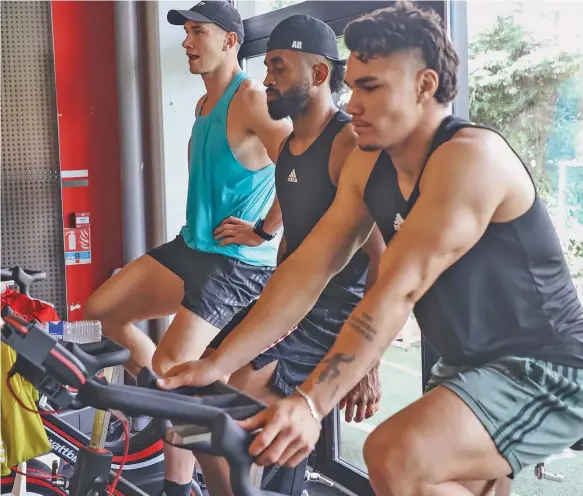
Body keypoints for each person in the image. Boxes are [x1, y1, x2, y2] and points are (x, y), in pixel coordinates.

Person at [158, 2, 583, 496]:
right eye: (353, 84)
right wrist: (218, 361)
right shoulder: (367, 166)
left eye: (371, 87)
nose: (352, 102)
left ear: (425, 86)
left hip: (541, 367)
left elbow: (397, 289)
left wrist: (314, 403)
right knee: (452, 483)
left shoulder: (470, 160)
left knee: (394, 456)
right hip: (462, 364)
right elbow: (307, 270)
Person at [158, 14, 386, 495]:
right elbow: (295, 237)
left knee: (225, 416)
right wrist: (263, 241)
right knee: (188, 415)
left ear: (319, 75)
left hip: (332, 321)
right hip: (292, 308)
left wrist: (367, 363)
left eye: (279, 68)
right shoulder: (291, 148)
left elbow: (385, 260)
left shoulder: (347, 145)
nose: (266, 79)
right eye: (268, 67)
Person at [84, 2, 291, 495]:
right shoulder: (203, 104)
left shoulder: (252, 99)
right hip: (193, 248)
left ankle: (184, 481)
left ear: (231, 41)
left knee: (170, 376)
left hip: (236, 264)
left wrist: (264, 230)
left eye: (199, 32)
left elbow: (298, 169)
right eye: (187, 33)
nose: (187, 42)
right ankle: (173, 407)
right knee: (103, 309)